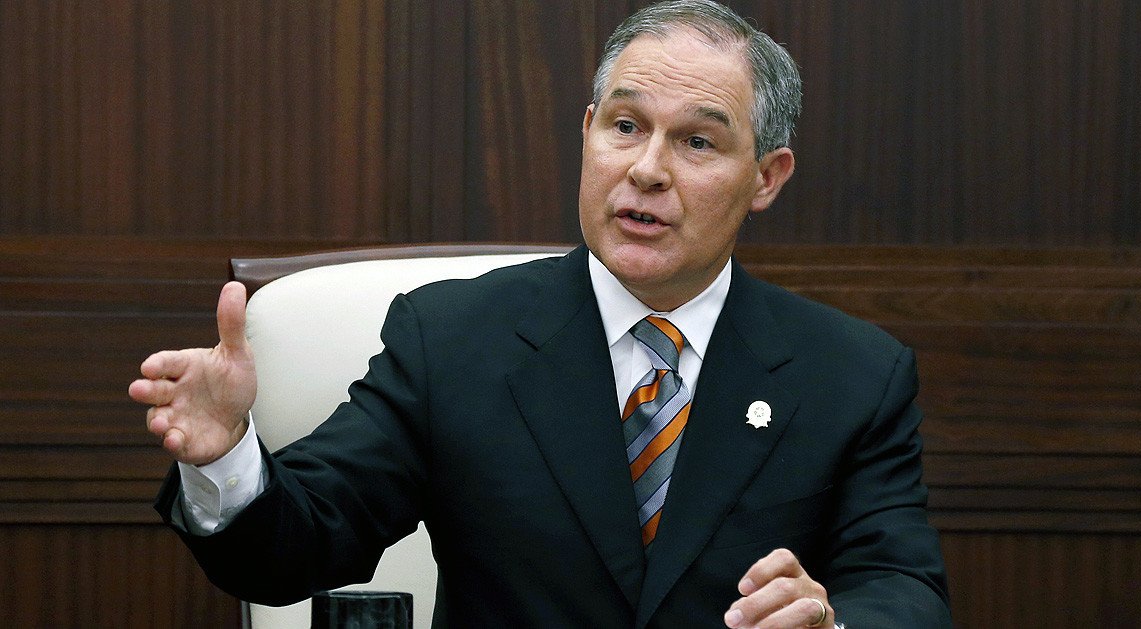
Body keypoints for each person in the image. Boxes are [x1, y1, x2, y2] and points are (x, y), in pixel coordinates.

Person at [129, 1, 951, 627]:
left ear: (766, 177)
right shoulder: (451, 339)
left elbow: (904, 587)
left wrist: (832, 624)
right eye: (625, 126)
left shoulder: (853, 374)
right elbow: (298, 544)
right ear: (589, 132)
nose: (648, 169)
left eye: (697, 142)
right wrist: (226, 456)